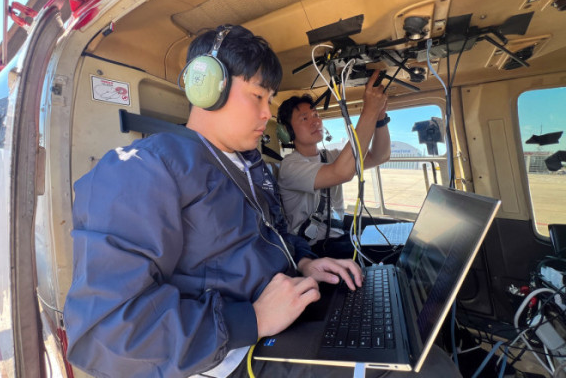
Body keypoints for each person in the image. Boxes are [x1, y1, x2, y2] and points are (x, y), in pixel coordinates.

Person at [63, 25, 460, 378]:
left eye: (269, 98)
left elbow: (276, 235)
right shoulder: (145, 169)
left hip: (283, 311)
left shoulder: (250, 166)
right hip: (235, 352)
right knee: (426, 370)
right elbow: (106, 333)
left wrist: (304, 261)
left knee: (400, 330)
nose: (267, 113)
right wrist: (251, 319)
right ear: (207, 88)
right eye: (257, 96)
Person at [276, 77, 391, 259]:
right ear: (287, 131)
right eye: (304, 118)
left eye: (316, 115)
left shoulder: (331, 156)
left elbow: (380, 156)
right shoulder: (289, 167)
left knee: (392, 250)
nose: (315, 122)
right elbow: (341, 172)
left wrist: (380, 118)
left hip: (340, 239)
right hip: (313, 252)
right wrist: (369, 110)